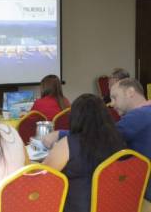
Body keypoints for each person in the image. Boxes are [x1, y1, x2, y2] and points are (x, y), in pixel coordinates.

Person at [43, 94, 126, 212]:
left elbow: (43, 175)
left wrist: (54, 150)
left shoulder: (69, 144)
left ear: (76, 117)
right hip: (112, 206)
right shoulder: (117, 139)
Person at [110, 78, 151, 212]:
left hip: (145, 195)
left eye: (115, 97)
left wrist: (60, 135)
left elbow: (102, 137)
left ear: (130, 92)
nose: (111, 103)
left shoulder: (139, 116)